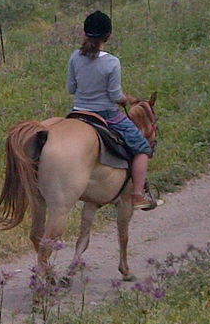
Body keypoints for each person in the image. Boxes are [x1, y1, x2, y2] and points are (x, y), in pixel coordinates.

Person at [67, 11, 160, 210]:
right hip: (106, 114)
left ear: (85, 33)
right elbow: (115, 96)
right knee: (142, 147)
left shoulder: (75, 57)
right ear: (108, 36)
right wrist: (128, 99)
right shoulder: (112, 62)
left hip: (77, 112)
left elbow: (71, 88)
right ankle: (137, 195)